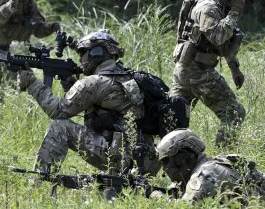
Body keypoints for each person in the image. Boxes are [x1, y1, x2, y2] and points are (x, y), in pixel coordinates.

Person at [16, 30, 159, 175]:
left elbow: (57, 110)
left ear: (96, 53)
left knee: (59, 127)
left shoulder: (94, 82)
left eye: (83, 53)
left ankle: (41, 180)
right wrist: (72, 85)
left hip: (121, 159)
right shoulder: (125, 76)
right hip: (143, 161)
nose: (81, 59)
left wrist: (32, 83)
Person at [170, 0, 251, 147]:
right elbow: (218, 36)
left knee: (175, 120)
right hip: (197, 72)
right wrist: (234, 13)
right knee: (234, 113)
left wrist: (234, 68)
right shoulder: (208, 7)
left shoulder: (220, 6)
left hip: (187, 70)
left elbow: (224, 44)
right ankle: (223, 160)